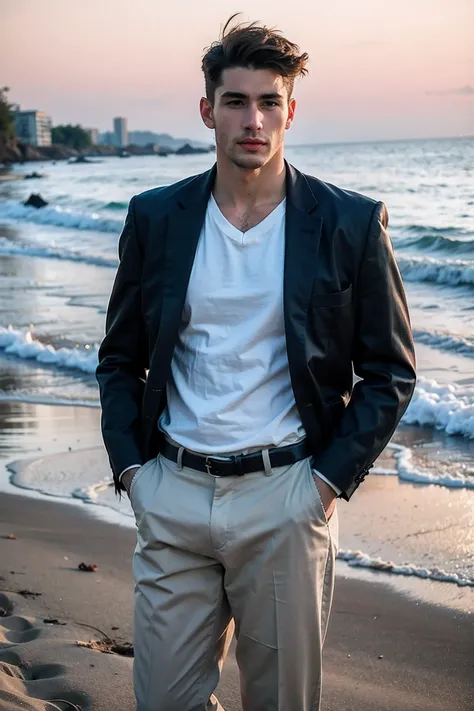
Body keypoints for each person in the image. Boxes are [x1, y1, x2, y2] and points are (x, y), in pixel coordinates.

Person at [96, 14, 416, 711]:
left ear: (291, 112)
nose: (254, 119)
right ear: (207, 109)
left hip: (286, 496)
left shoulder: (349, 223)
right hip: (173, 490)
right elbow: (120, 357)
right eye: (236, 101)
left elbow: (390, 373)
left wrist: (324, 485)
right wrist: (132, 472)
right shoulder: (156, 217)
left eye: (270, 102)